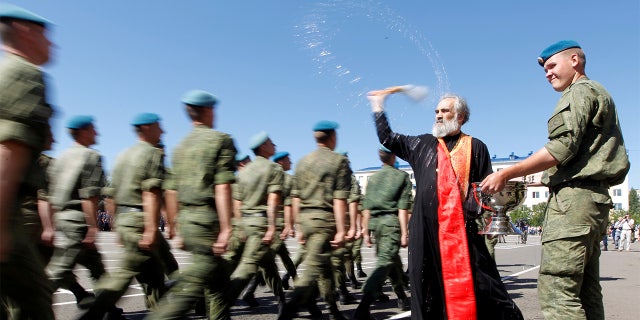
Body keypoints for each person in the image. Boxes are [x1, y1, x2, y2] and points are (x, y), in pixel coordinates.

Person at [481, 40, 630, 319]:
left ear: (574, 60)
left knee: (557, 292)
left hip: (573, 204)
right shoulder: (599, 92)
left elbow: (562, 146)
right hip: (592, 200)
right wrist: (537, 180)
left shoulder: (578, 92)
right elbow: (580, 157)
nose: (547, 73)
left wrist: (507, 173)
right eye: (545, 70)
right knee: (586, 291)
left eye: (551, 66)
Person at [367, 90, 524, 319]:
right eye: (436, 111)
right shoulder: (421, 144)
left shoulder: (476, 147)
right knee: (425, 289)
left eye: (445, 111)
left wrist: (488, 216)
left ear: (460, 116)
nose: (438, 115)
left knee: (486, 284)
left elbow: (485, 190)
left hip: (463, 230)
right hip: (425, 231)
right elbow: (387, 138)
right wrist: (378, 105)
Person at [146, 90, 236, 320]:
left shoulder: (180, 147)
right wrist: (226, 228)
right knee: (195, 283)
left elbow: (171, 191)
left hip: (188, 220)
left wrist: (175, 226)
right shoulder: (220, 140)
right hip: (207, 222)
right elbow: (222, 187)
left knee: (217, 286)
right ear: (208, 111)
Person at [78, 113, 168, 319]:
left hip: (126, 221)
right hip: (140, 220)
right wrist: (152, 228)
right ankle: (92, 314)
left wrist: (117, 226)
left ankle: (161, 313)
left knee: (153, 276)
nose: (162, 131)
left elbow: (110, 197)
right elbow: (151, 192)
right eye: (158, 126)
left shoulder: (121, 156)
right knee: (126, 275)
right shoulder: (153, 153)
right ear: (146, 128)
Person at [0, 4, 55, 319]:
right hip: (9, 210)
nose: (52, 45)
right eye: (47, 36)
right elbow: (8, 150)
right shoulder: (24, 73)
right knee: (36, 301)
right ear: (25, 31)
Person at [278, 120, 351, 320]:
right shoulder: (339, 161)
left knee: (324, 269)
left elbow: (295, 198)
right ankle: (288, 312)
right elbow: (339, 198)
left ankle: (332, 310)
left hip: (307, 220)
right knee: (312, 270)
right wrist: (342, 229)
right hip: (323, 222)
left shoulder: (303, 161)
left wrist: (298, 226)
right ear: (333, 137)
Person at [46, 115, 108, 309]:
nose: (96, 132)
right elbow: (89, 195)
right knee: (58, 271)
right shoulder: (91, 156)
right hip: (78, 219)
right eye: (93, 129)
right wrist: (92, 226)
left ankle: (109, 310)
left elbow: (50, 194)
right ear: (84, 132)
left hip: (62, 217)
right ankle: (28, 305)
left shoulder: (60, 158)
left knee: (98, 269)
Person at [352, 145, 412, 319]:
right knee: (386, 262)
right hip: (390, 223)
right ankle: (364, 305)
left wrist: (365, 231)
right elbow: (402, 208)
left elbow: (366, 208)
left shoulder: (373, 178)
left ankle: (401, 296)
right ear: (393, 156)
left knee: (392, 262)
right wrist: (404, 232)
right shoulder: (401, 176)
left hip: (376, 224)